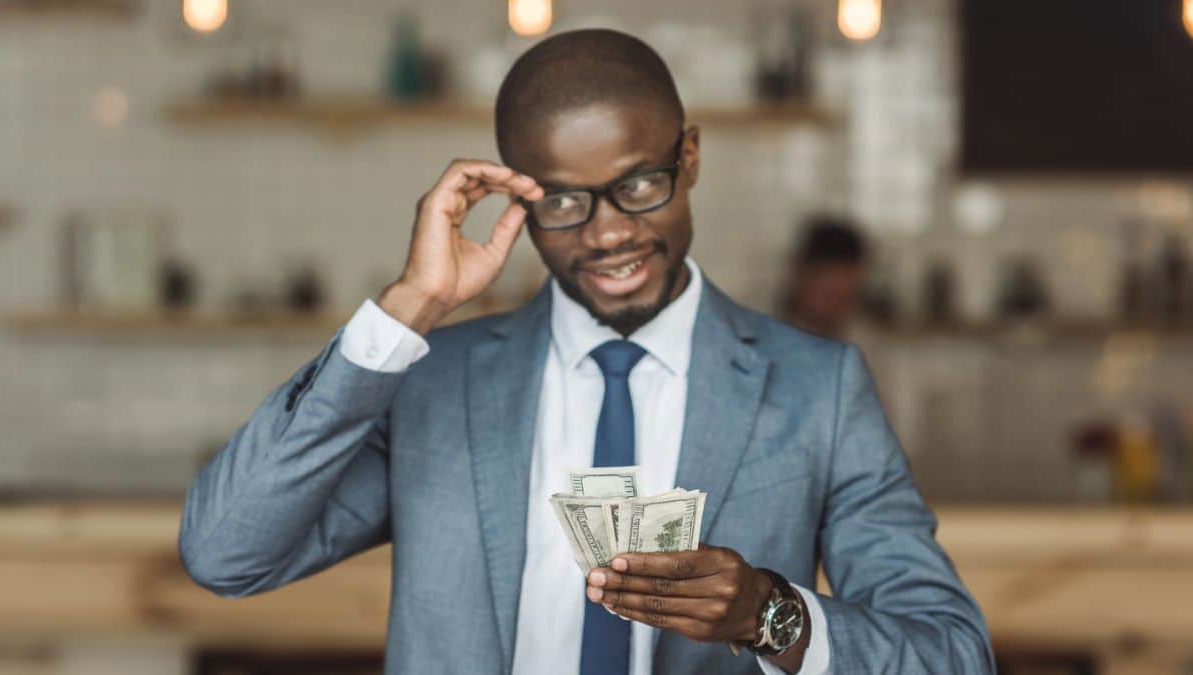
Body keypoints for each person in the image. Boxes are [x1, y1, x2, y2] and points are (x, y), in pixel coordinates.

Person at [179, 29, 993, 675]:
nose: (607, 233)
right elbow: (226, 553)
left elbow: (952, 654)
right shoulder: (432, 383)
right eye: (563, 200)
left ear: (692, 157)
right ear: (516, 202)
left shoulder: (818, 387)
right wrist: (408, 307)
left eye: (640, 184)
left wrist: (765, 612)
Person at [777, 216, 868, 340]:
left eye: (844, 299)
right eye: (827, 295)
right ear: (800, 274)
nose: (833, 308)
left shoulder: (867, 344)